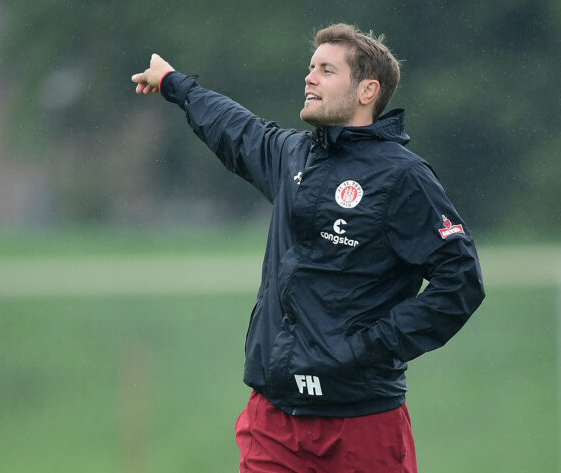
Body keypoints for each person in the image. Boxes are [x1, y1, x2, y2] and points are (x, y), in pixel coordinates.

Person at [132, 23, 485, 473]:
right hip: (275, 421)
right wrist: (174, 84)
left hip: (362, 423)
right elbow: (236, 128)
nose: (310, 78)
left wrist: (372, 346)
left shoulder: (404, 178)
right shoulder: (292, 156)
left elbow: (461, 282)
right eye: (310, 68)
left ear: (367, 91)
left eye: (326, 70)